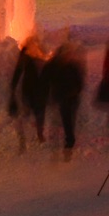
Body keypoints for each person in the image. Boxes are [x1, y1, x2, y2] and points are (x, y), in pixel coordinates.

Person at [42, 31, 87, 160]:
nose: (68, 56)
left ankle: (69, 141)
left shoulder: (72, 66)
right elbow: (45, 79)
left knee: (68, 118)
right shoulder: (53, 65)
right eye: (66, 54)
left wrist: (76, 90)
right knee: (65, 118)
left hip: (71, 97)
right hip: (62, 96)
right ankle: (67, 141)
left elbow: (79, 81)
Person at [6, 33, 48, 152]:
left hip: (39, 89)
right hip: (29, 89)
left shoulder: (40, 53)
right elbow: (18, 70)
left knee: (39, 112)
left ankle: (39, 134)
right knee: (27, 112)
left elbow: (47, 70)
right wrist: (13, 86)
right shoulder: (25, 55)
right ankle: (23, 138)